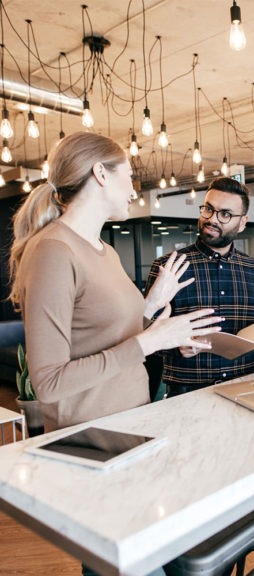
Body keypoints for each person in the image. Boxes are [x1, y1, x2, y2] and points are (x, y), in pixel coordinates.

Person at [8, 132, 222, 435]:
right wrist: (152, 341)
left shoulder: (104, 250)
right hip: (90, 436)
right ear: (100, 173)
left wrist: (152, 305)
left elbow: (105, 335)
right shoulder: (53, 251)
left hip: (130, 421)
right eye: (130, 176)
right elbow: (49, 383)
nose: (134, 192)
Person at [146, 176, 254, 397]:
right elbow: (146, 333)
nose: (212, 219)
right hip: (187, 393)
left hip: (246, 386)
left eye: (225, 214)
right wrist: (176, 346)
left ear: (243, 222)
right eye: (208, 209)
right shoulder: (168, 267)